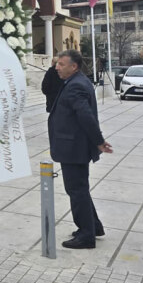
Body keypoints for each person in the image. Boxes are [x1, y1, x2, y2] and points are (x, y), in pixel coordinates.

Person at [47, 50, 113, 249]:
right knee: (80, 190)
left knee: (77, 191)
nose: (57, 67)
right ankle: (93, 226)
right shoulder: (77, 81)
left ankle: (86, 235)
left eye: (60, 64)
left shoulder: (76, 85)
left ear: (73, 66)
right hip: (73, 146)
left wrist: (99, 141)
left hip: (73, 148)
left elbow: (85, 116)